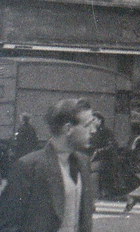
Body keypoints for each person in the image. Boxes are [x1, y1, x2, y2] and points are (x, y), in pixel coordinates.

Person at [0, 98, 96, 232]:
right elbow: (7, 224)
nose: (93, 130)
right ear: (68, 128)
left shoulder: (83, 162)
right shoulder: (28, 167)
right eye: (88, 125)